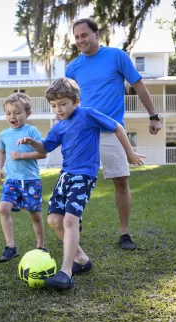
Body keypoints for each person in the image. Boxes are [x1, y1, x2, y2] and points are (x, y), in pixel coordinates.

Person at [17, 78, 145, 290]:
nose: (58, 109)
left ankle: (66, 273)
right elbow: (44, 148)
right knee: (54, 220)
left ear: (76, 100)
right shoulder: (59, 126)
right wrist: (32, 142)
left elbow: (117, 127)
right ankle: (82, 260)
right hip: (65, 175)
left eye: (63, 104)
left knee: (69, 221)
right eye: (54, 106)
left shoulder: (87, 114)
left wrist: (129, 153)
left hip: (84, 175)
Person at [66, 18, 163, 250]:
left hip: (112, 130)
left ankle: (124, 233)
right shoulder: (73, 68)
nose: (80, 40)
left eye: (84, 35)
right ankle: (74, 220)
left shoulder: (116, 56)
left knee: (120, 180)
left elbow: (139, 86)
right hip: (83, 133)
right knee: (74, 180)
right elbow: (67, 101)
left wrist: (153, 116)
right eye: (77, 37)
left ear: (96, 34)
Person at [0, 93, 47, 263]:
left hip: (31, 180)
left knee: (35, 215)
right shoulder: (4, 134)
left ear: (27, 114)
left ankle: (41, 246)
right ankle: (11, 247)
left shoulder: (31, 131)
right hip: (12, 180)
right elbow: (2, 152)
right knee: (3, 208)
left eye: (17, 112)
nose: (13, 116)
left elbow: (42, 154)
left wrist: (21, 155)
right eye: (9, 113)